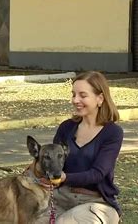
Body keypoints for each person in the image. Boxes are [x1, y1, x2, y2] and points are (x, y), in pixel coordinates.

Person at [51, 71, 123, 223]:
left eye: (82, 95)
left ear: (100, 98)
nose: (75, 100)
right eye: (73, 95)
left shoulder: (112, 133)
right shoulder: (66, 127)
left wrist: (65, 177)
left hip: (96, 203)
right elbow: (53, 162)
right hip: (60, 197)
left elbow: (97, 173)